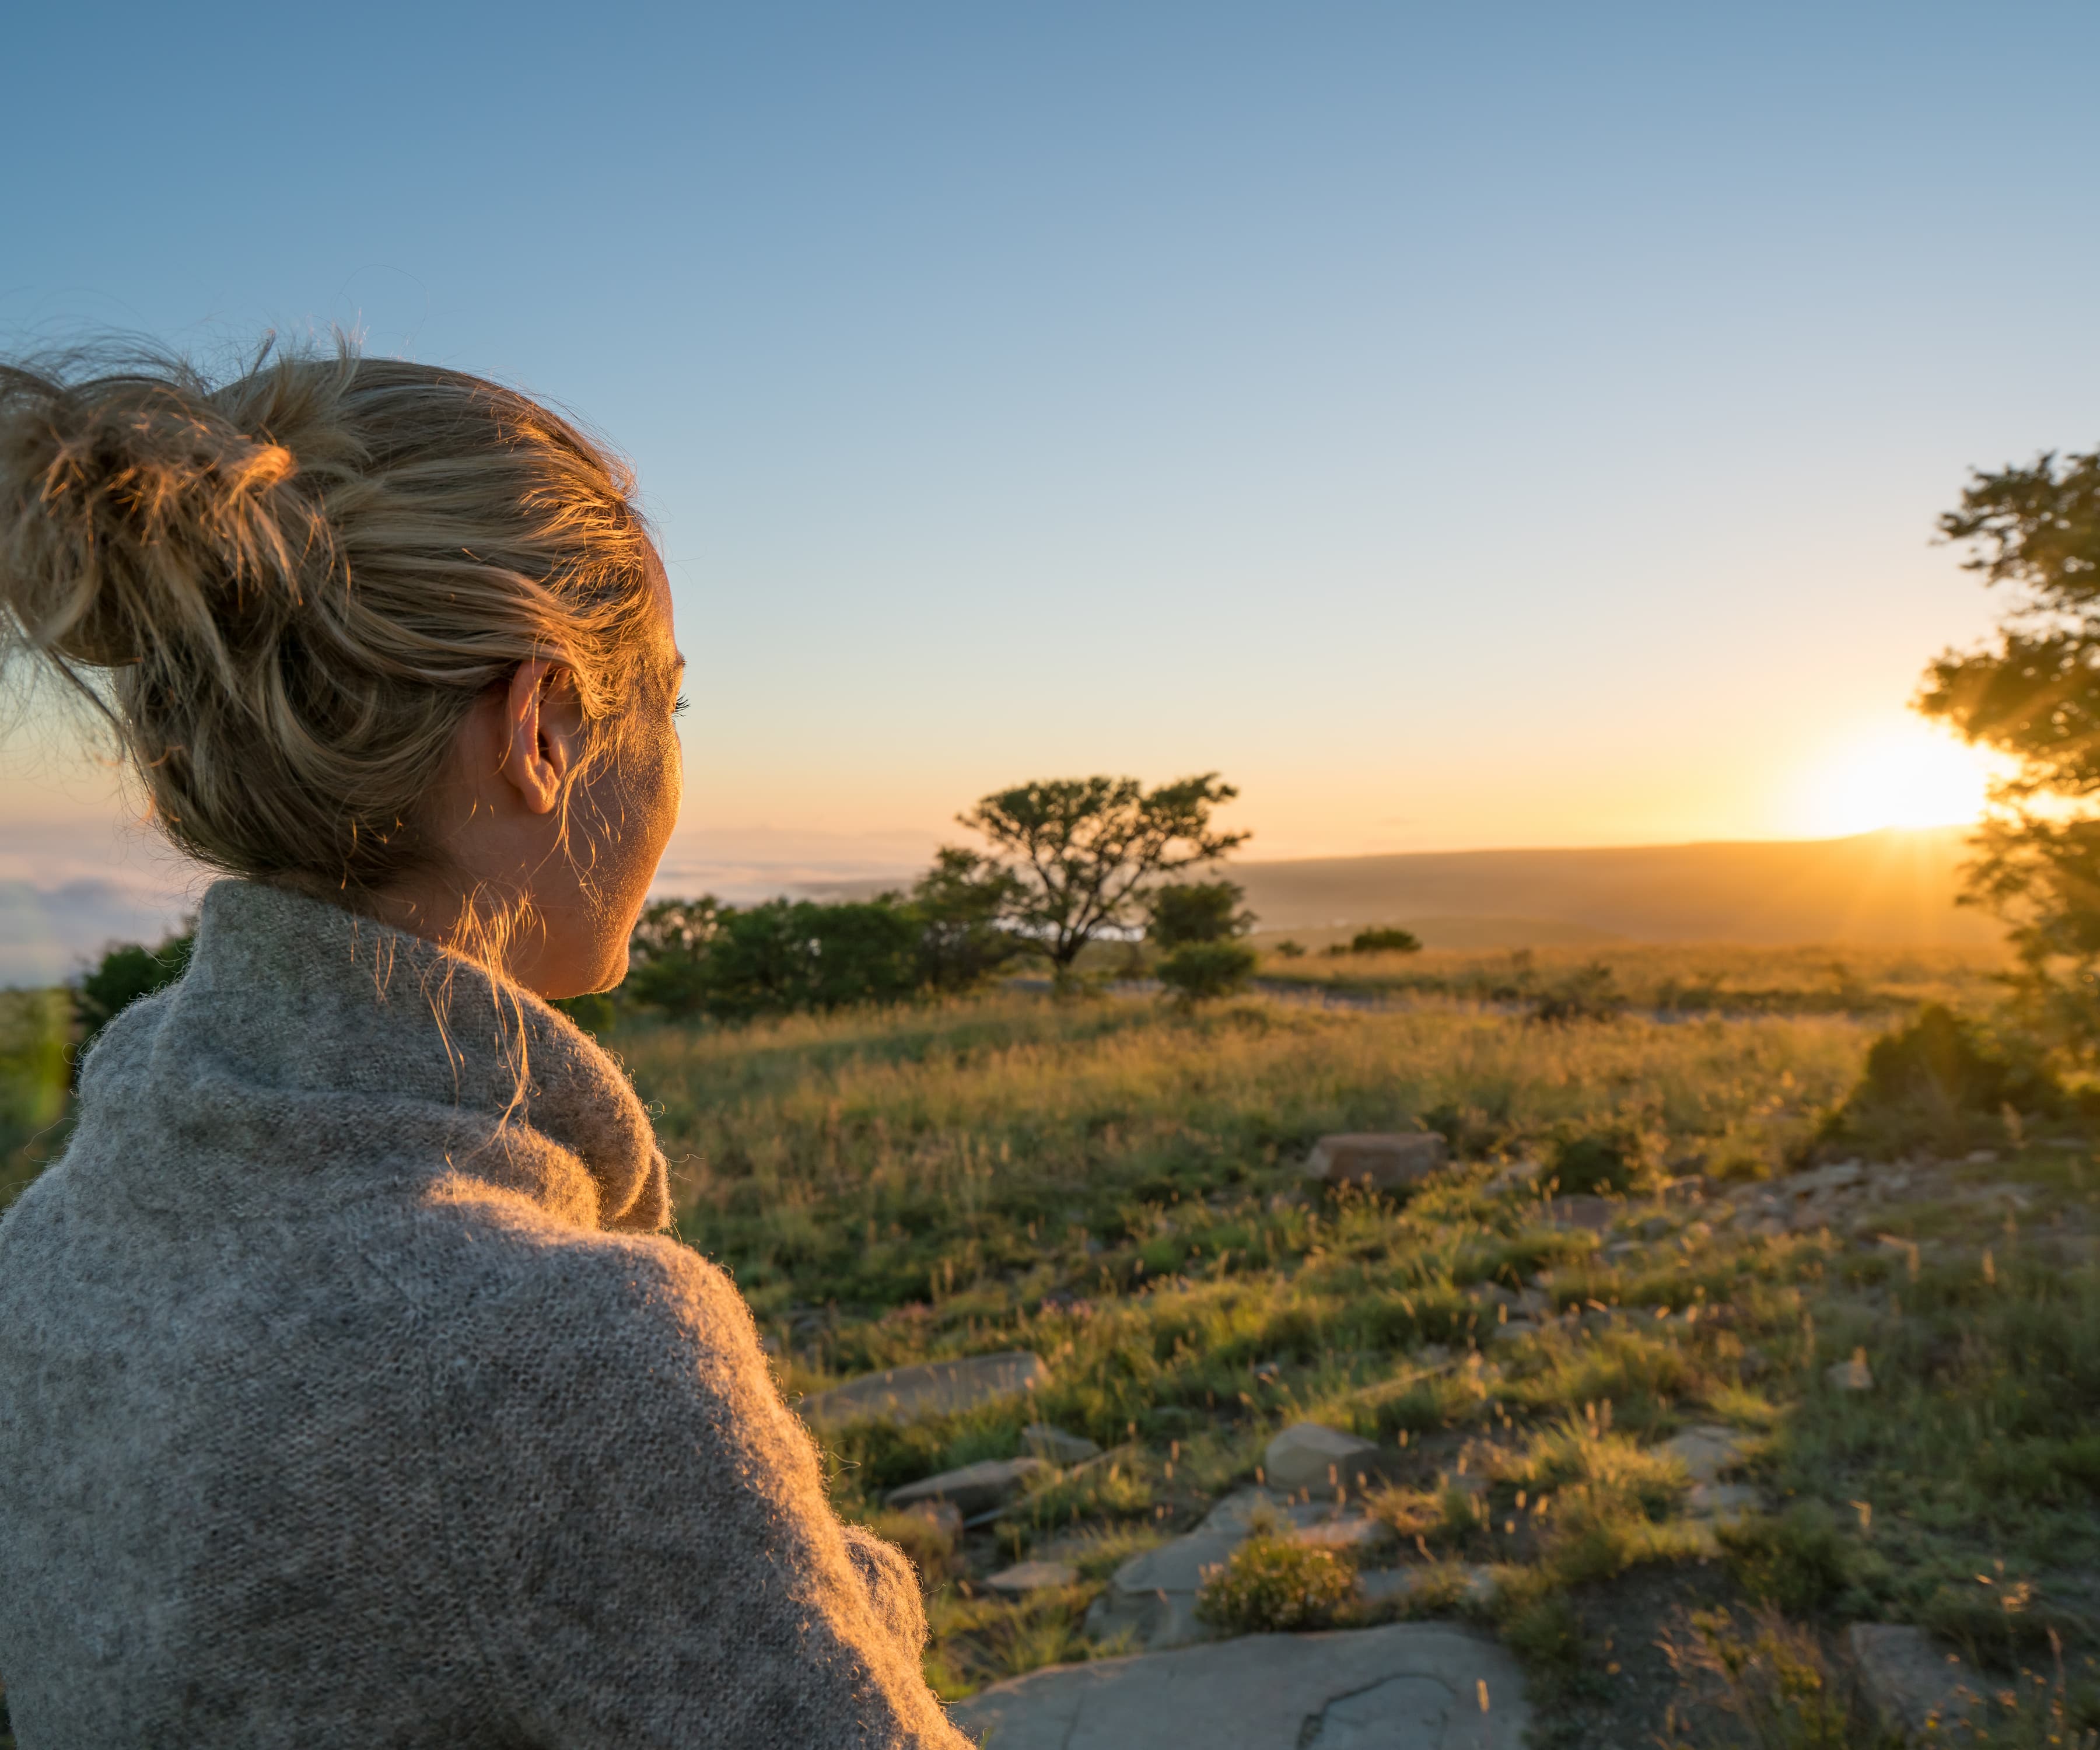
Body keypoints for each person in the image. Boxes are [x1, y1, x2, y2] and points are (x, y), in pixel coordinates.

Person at [0, 343, 971, 1747]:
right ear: (542, 730)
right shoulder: (566, 1356)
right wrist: (845, 1593)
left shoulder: (49, 1249)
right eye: (670, 706)